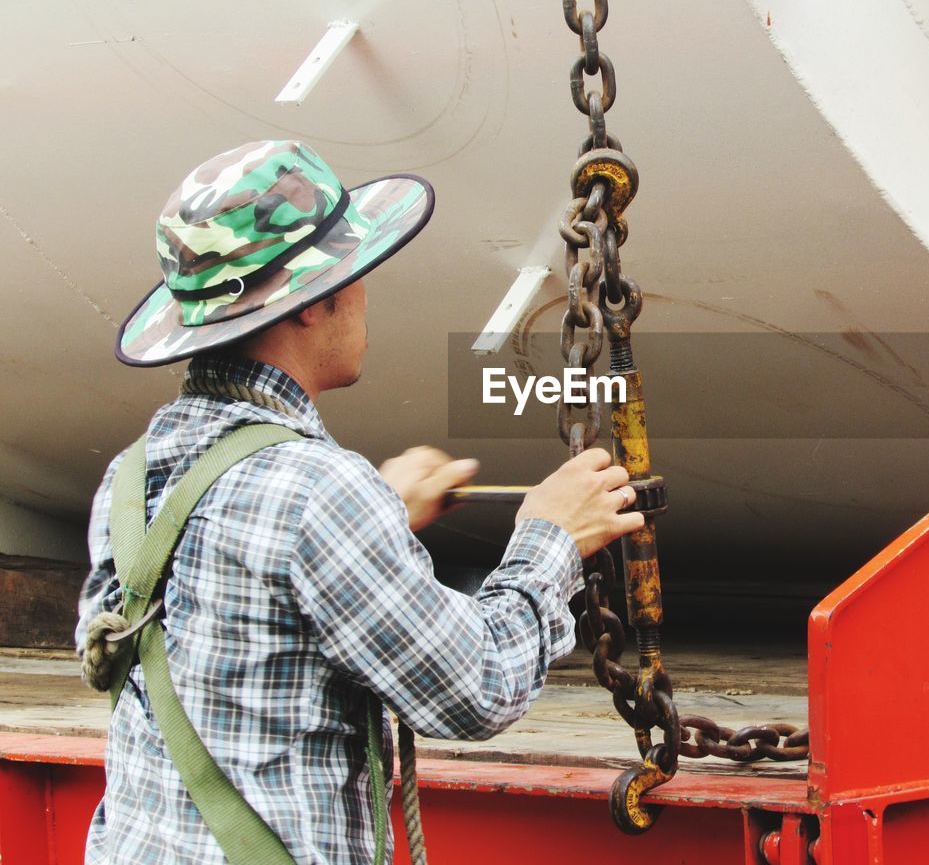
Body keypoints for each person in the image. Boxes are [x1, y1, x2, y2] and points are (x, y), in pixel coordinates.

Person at [75, 140, 643, 864]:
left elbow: (206, 617)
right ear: (312, 305)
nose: (366, 292)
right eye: (356, 270)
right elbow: (476, 689)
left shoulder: (133, 476)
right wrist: (550, 537)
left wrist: (376, 510)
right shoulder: (318, 494)